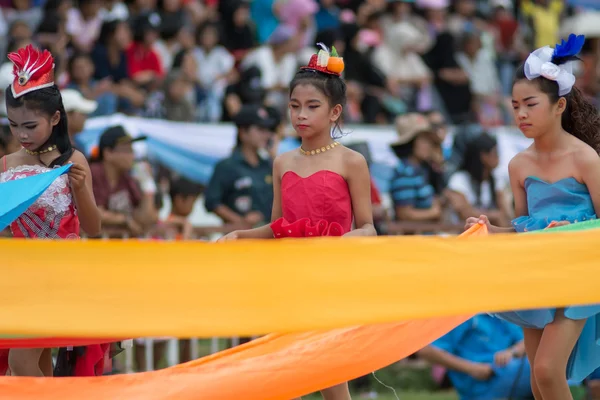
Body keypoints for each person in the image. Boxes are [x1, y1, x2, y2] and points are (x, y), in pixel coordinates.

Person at [219, 44, 376, 400]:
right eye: (293, 106)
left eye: (312, 106)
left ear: (335, 112)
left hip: (331, 276)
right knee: (290, 367)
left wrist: (345, 242)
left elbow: (368, 227)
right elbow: (279, 227)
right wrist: (240, 235)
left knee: (327, 370)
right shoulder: (282, 162)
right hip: (289, 276)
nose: (300, 115)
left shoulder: (352, 162)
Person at [465, 34, 600, 399]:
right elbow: (523, 228)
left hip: (579, 273)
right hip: (536, 272)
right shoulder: (518, 164)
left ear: (559, 106)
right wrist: (490, 229)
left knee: (546, 368)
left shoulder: (585, 158)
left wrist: (575, 229)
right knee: (539, 379)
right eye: (514, 106)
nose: (521, 113)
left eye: (530, 104)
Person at [0, 44, 101, 376]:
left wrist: (82, 187)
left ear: (55, 118)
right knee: (38, 365)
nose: (21, 135)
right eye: (14, 126)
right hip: (17, 277)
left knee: (21, 362)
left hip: (59, 276)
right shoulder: (6, 164)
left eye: (30, 125)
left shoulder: (73, 162)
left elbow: (94, 227)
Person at [418, 314, 532, 400]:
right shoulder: (460, 314)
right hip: (482, 384)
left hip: (511, 370)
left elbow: (526, 340)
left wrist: (511, 352)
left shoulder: (500, 312)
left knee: (539, 363)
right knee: (539, 368)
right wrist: (472, 368)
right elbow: (426, 350)